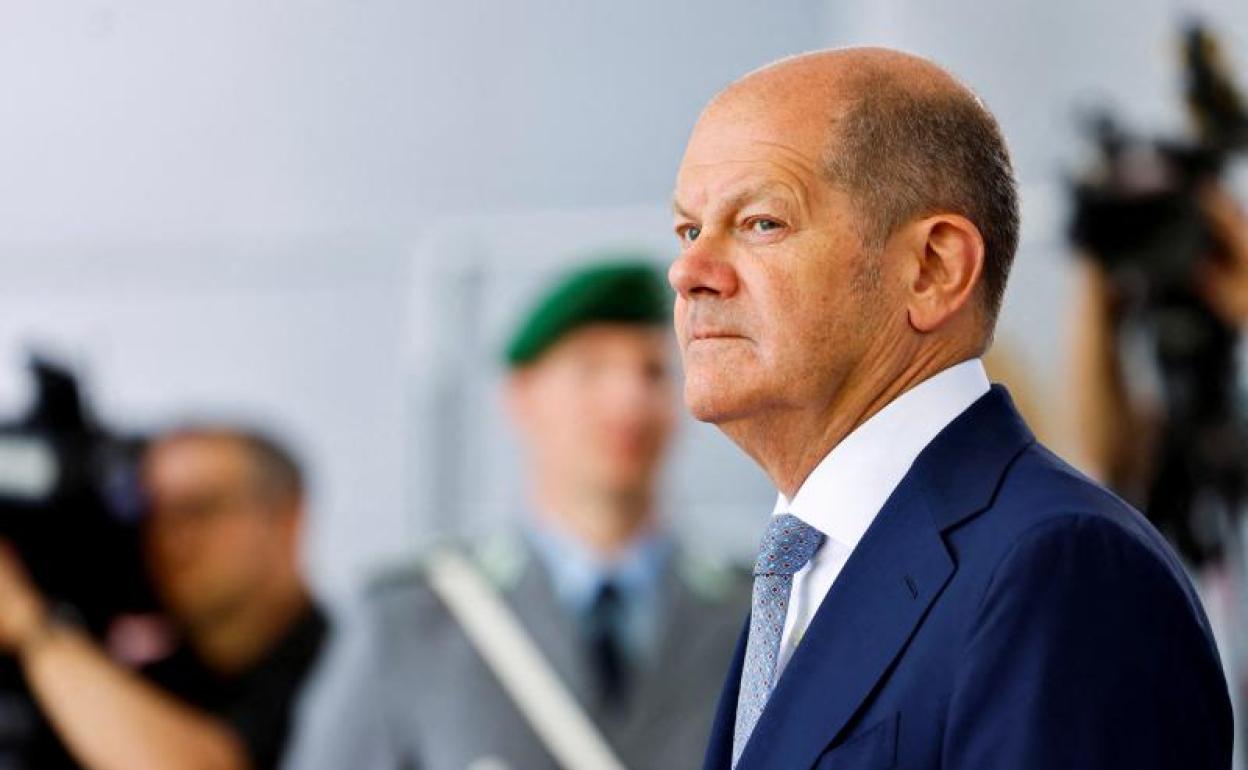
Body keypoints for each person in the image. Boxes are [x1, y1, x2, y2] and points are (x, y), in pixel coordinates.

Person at [667, 48, 1232, 769]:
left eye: (760, 223)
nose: (689, 271)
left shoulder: (1060, 570)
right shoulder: (802, 569)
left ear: (934, 269)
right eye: (690, 230)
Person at [287, 260, 750, 770]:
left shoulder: (754, 617)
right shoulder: (411, 621)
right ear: (521, 396)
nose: (628, 400)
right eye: (590, 370)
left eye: (653, 372)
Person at [0, 425, 327, 770]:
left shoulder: (339, 670)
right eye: (154, 514)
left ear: (287, 518)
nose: (174, 540)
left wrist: (30, 626)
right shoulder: (146, 667)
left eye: (199, 509)